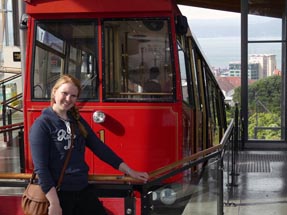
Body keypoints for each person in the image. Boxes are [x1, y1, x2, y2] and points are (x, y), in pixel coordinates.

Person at [29, 74, 149, 215]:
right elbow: (41, 168)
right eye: (65, 93)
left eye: (73, 96)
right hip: (59, 194)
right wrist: (54, 203)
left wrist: (130, 171)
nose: (68, 99)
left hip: (82, 190)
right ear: (54, 92)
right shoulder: (42, 125)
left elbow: (100, 148)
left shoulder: (77, 121)